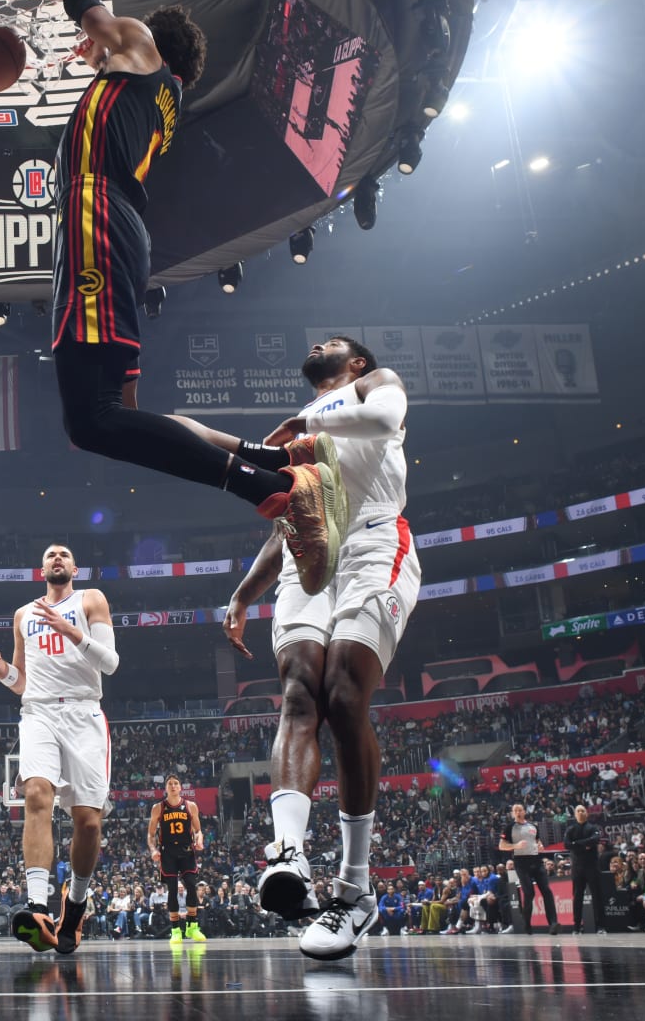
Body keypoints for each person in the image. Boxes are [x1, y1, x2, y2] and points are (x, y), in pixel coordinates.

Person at [46, 0, 346, 597]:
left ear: (151, 44)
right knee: (118, 420)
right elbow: (106, 59)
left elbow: (87, 5)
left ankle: (273, 488)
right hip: (118, 230)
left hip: (94, 220)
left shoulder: (140, 52)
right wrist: (95, 56)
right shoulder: (158, 96)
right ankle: (272, 462)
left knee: (92, 421)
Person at [216, 336, 419, 961]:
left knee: (343, 695)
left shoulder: (374, 384)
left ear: (355, 362)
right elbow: (290, 525)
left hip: (376, 545)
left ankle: (355, 891)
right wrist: (244, 595)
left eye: (332, 342)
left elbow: (384, 417)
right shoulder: (307, 443)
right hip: (314, 560)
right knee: (300, 692)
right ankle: (290, 857)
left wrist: (300, 421)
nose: (317, 344)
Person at [0, 543, 118, 955]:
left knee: (88, 822)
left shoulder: (91, 600)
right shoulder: (23, 614)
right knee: (36, 794)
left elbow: (109, 663)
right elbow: (21, 682)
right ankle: (37, 905)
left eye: (65, 554)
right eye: (50, 554)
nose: (57, 558)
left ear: (75, 566)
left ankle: (73, 906)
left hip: (83, 712)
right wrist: (2, 670)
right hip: (38, 713)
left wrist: (71, 631)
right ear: (41, 569)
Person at [148, 775, 205, 943]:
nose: (173, 786)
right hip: (168, 853)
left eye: (176, 783)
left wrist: (199, 840)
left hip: (187, 851)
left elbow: (198, 830)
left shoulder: (190, 806)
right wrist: (153, 850)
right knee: (172, 889)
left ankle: (192, 927)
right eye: (169, 784)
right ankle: (175, 930)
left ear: (181, 787)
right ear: (165, 788)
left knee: (191, 885)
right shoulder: (158, 808)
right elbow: (151, 834)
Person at [501, 803, 558, 935]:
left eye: (520, 810)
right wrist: (516, 845)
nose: (518, 812)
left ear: (524, 811)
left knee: (547, 891)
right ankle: (527, 922)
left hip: (536, 861)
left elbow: (537, 841)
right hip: (521, 863)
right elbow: (502, 845)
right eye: (515, 810)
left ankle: (553, 923)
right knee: (529, 893)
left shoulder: (533, 826)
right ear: (512, 813)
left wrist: (540, 846)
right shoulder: (509, 827)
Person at [563, 804, 605, 934]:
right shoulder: (571, 829)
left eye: (583, 810)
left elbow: (595, 839)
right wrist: (584, 845)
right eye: (578, 811)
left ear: (586, 813)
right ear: (575, 814)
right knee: (577, 897)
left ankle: (600, 926)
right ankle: (576, 927)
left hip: (592, 866)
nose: (580, 812)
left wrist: (577, 844)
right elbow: (567, 844)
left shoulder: (593, 827)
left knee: (597, 896)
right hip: (577, 868)